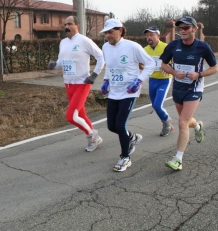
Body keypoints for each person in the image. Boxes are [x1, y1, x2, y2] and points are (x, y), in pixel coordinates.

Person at [159, 16, 218, 171]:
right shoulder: (173, 45)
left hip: (194, 89)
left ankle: (178, 159)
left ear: (194, 29)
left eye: (186, 28)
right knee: (186, 120)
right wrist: (173, 72)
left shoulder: (203, 47)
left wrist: (199, 74)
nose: (182, 31)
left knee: (182, 123)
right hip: (178, 88)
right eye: (180, 28)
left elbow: (215, 68)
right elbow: (163, 64)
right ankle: (197, 126)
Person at [100, 19, 155, 172]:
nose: (107, 36)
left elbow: (150, 64)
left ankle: (125, 157)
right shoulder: (105, 47)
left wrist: (139, 81)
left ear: (121, 31)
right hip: (114, 91)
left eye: (110, 32)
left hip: (130, 91)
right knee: (111, 125)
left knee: (120, 125)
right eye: (106, 33)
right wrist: (106, 81)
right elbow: (110, 67)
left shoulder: (132, 47)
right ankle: (132, 137)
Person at [48, 16, 105, 152]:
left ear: (77, 26)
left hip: (82, 83)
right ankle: (94, 138)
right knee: (81, 115)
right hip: (68, 84)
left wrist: (94, 75)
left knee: (71, 116)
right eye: (65, 24)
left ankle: (92, 135)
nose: (66, 27)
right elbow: (62, 62)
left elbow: (101, 57)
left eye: (70, 24)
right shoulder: (63, 42)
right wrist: (54, 65)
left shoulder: (84, 41)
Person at [143, 26, 174, 137]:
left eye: (151, 35)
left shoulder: (166, 47)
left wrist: (170, 66)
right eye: (147, 36)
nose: (149, 37)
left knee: (157, 105)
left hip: (164, 80)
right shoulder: (145, 50)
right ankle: (167, 120)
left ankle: (166, 124)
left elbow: (175, 61)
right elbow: (142, 64)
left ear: (158, 36)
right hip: (152, 80)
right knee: (155, 105)